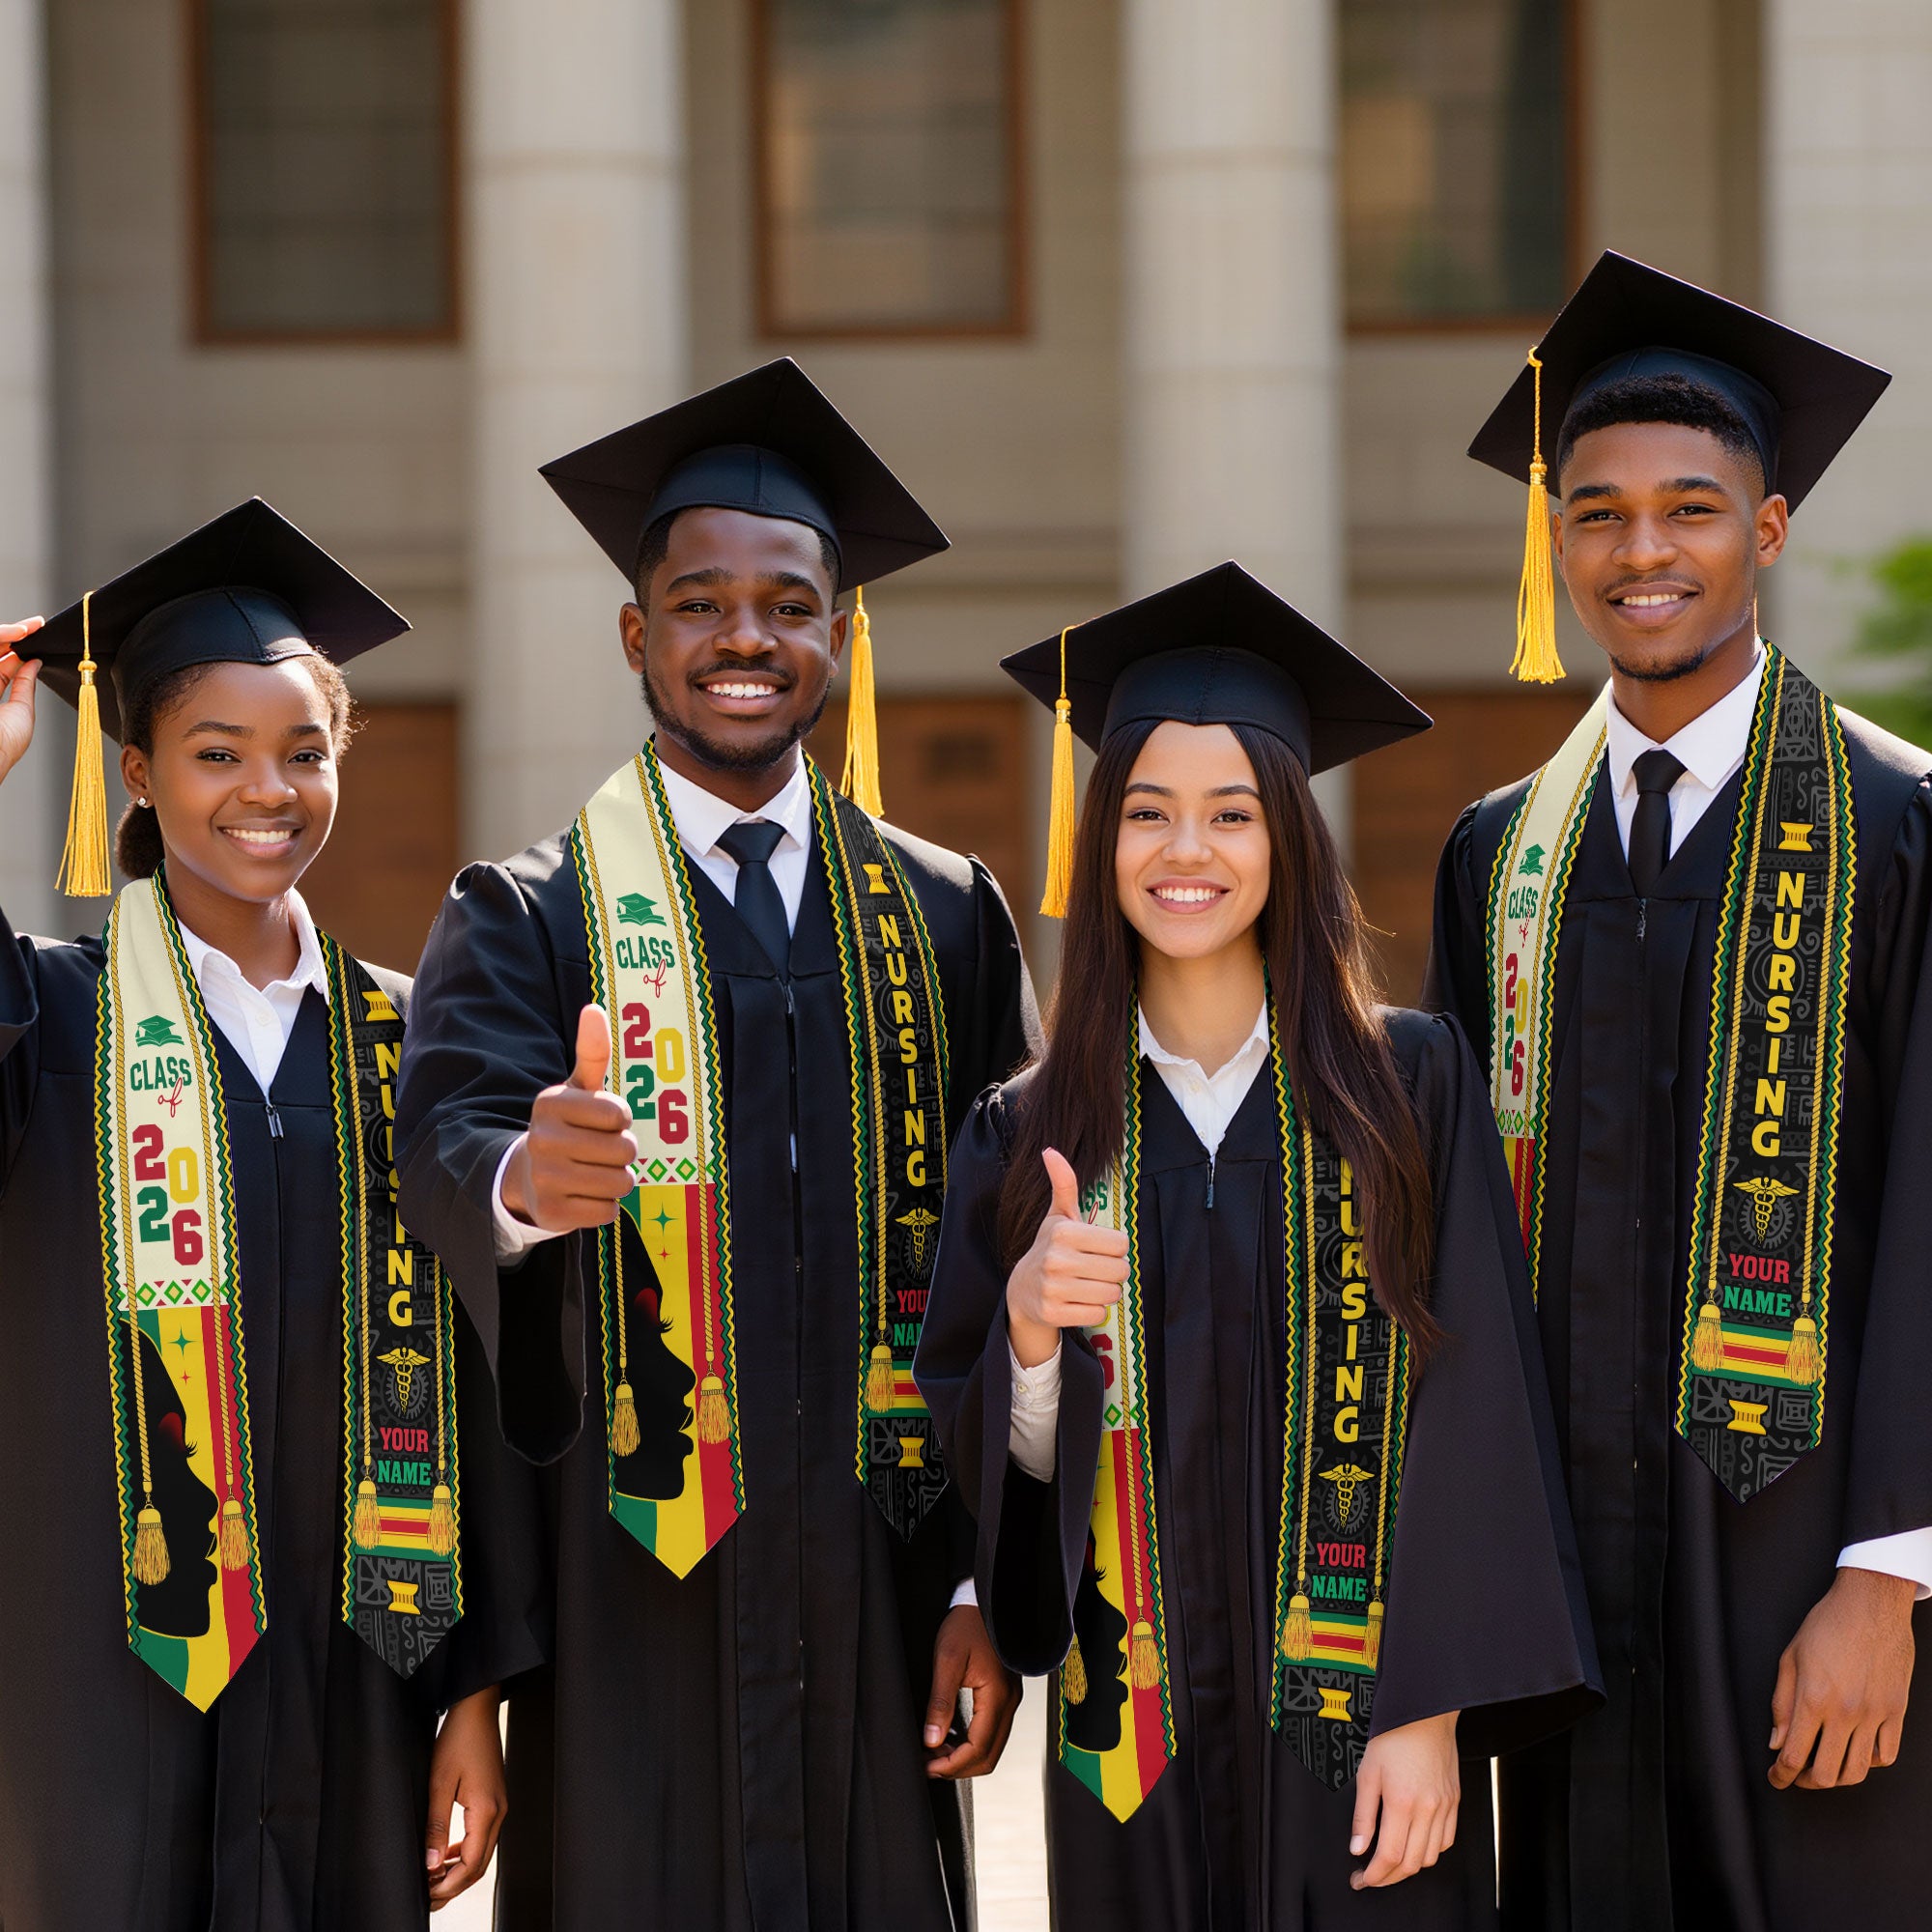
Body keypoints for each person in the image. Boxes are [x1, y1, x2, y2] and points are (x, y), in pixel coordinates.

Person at [394, 359, 1038, 1928]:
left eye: (788, 603)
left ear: (840, 634)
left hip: (885, 1588)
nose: (744, 638)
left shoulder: (944, 914)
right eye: (698, 603)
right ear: (638, 634)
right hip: (633, 1595)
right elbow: (441, 1154)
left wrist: (981, 1585)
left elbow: (1018, 1251)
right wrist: (521, 1186)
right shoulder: (531, 914)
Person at [917, 562, 1599, 1929]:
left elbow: (1479, 1409)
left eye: (1231, 814)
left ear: (1287, 838)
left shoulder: (1411, 1089)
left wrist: (1432, 1709)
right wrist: (1034, 1344)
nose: (1188, 853)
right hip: (1134, 1745)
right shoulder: (1032, 1129)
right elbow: (986, 1471)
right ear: (1100, 842)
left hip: (1366, 1735)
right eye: (1149, 814)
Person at [1426, 251, 1932, 1932]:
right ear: (1555, 539)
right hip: (1567, 1575)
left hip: (1808, 1564)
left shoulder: (1901, 825)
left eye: (1692, 508)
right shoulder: (1501, 855)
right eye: (1598, 511)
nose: (1643, 551)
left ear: (1768, 531)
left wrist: (1891, 1570)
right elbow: (1450, 1242)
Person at [0, 498, 547, 1931]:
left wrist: (476, 1699)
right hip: (93, 1677)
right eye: (216, 754)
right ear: (134, 771)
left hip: (355, 1667)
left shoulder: (411, 1044)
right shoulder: (54, 1019)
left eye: (305, 754)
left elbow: (485, 1385)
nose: (268, 790)